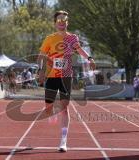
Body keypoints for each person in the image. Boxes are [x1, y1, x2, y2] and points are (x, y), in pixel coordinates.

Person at [37, 10, 95, 152]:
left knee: (64, 107)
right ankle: (51, 111)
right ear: (55, 23)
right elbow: (41, 56)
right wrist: (41, 71)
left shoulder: (72, 38)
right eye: (59, 20)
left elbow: (80, 50)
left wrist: (89, 58)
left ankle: (63, 140)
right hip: (51, 76)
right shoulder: (49, 38)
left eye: (64, 20)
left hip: (66, 76)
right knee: (48, 108)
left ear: (67, 22)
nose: (62, 22)